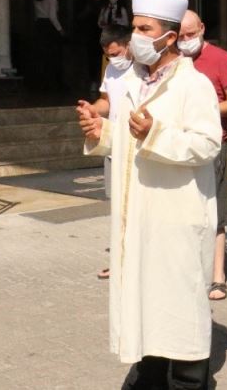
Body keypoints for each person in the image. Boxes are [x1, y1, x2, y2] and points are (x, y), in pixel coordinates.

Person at [77, 0, 221, 390]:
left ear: (169, 37)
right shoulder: (132, 83)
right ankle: (149, 375)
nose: (136, 36)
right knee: (147, 305)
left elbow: (207, 144)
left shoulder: (194, 85)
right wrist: (102, 131)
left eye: (145, 29)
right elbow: (128, 140)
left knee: (182, 308)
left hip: (176, 216)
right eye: (136, 28)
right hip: (139, 218)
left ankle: (188, 382)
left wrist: (155, 133)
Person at [178, 10, 227, 301]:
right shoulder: (174, 60)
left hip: (213, 145)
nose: (185, 40)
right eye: (180, 36)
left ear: (202, 28)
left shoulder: (220, 58)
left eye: (190, 34)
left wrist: (201, 110)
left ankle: (218, 276)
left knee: (216, 212)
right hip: (179, 146)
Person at [85, 24, 132, 281]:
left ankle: (133, 261)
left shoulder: (143, 69)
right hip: (114, 148)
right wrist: (92, 110)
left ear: (128, 44)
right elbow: (106, 101)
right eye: (108, 55)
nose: (113, 58)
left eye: (116, 53)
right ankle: (120, 260)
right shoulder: (111, 69)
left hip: (136, 150)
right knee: (117, 208)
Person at [33, 0, 64, 90]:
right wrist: (60, 29)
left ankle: (42, 83)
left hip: (40, 25)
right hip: (49, 27)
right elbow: (52, 16)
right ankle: (54, 82)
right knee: (53, 56)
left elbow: (36, 15)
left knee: (42, 56)